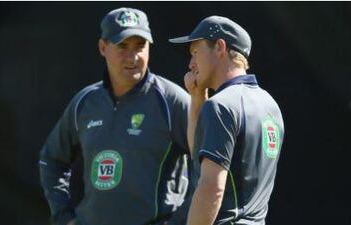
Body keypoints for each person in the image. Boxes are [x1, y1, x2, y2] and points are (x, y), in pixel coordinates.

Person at [39, 7, 191, 225]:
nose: (133, 56)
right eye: (123, 46)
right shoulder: (85, 102)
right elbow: (51, 159)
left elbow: (209, 168)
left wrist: (180, 221)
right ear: (103, 47)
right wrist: (64, 217)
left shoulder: (172, 101)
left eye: (140, 46)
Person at [169, 16, 285, 225]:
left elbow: (212, 188)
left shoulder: (221, 106)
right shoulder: (270, 105)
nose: (191, 63)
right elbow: (199, 154)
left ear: (220, 47)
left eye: (195, 52)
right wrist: (197, 97)